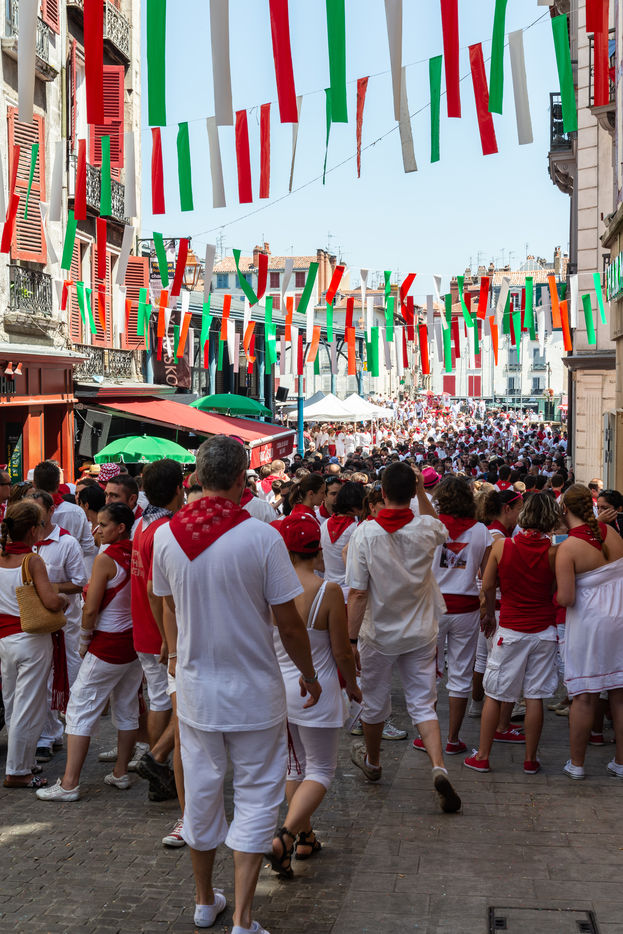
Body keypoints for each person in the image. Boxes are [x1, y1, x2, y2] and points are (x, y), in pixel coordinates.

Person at [151, 436, 321, 933]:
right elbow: (289, 625)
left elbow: (168, 605)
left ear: (197, 477)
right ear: (242, 478)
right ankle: (243, 918)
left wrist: (176, 655)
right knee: (257, 797)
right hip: (254, 693)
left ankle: (205, 900)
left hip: (197, 692)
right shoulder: (262, 537)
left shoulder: (166, 536)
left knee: (202, 795)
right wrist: (310, 675)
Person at [346, 462, 461, 814]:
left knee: (374, 702)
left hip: (378, 633)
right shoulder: (426, 527)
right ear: (412, 493)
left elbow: (358, 594)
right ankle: (438, 766)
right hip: (421, 631)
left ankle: (374, 761)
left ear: (381, 493)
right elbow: (439, 526)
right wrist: (422, 492)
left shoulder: (365, 534)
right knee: (424, 704)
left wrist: (350, 642)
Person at [268, 513, 361, 878]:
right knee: (321, 769)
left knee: (296, 768)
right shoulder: (329, 590)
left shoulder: (272, 587)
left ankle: (304, 837)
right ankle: (287, 836)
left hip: (280, 689)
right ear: (317, 549)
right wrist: (352, 685)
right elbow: (342, 651)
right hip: (316, 689)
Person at [37, 503, 144, 802]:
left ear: (120, 528)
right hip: (132, 642)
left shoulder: (106, 559)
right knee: (127, 707)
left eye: (103, 525)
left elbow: (91, 608)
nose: (97, 530)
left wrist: (84, 640)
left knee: (79, 709)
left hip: (107, 643)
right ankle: (120, 773)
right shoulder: (137, 552)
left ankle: (69, 783)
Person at [465, 493, 561, 775]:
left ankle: (483, 756)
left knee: (495, 693)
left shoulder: (503, 546)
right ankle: (530, 759)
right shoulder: (555, 552)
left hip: (511, 627)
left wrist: (488, 614)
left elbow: (487, 585)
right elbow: (555, 590)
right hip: (543, 630)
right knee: (534, 696)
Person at [413, 476, 491, 755]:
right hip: (466, 608)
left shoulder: (431, 526)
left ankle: (427, 737)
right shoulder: (482, 531)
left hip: (432, 607)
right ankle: (453, 739)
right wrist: (489, 608)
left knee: (429, 673)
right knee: (460, 674)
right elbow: (487, 577)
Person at [555, 484, 623, 780]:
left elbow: (566, 598)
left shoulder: (568, 548)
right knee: (620, 693)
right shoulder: (614, 535)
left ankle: (577, 764)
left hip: (589, 625)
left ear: (565, 509)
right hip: (619, 618)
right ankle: (620, 763)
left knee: (583, 695)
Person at [0, 500, 68, 788]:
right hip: (31, 639)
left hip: (5, 640)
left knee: (13, 703)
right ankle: (18, 771)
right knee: (28, 706)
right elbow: (51, 601)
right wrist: (62, 600)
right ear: (31, 530)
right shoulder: (32, 560)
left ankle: (21, 762)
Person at [131, 459, 185, 806]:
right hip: (161, 631)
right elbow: (155, 590)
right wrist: (168, 638)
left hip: (144, 627)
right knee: (179, 703)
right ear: (179, 489)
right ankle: (159, 758)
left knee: (159, 701)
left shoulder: (141, 523)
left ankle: (158, 771)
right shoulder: (166, 529)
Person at [28, 490, 88, 763]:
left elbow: (78, 582)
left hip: (64, 627)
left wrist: (48, 587)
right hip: (33, 625)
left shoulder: (67, 543)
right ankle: (47, 735)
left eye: (38, 511)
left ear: (52, 511)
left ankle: (53, 734)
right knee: (40, 682)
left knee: (58, 681)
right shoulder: (24, 543)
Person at [33, 461, 96, 562]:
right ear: (58, 485)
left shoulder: (27, 511)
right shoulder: (76, 511)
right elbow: (88, 547)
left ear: (34, 485)